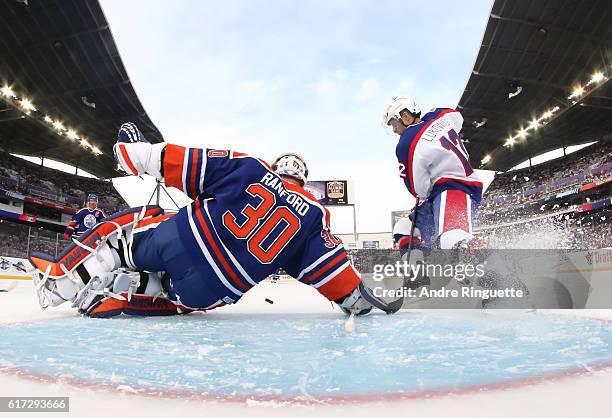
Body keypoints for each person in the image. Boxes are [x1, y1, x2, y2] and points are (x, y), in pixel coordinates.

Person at [29, 123, 375, 318]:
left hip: (177, 242)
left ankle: (66, 282)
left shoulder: (252, 168)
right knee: (175, 294)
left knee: (126, 239)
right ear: (303, 177)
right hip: (213, 290)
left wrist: (137, 153)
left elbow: (187, 162)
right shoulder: (316, 215)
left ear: (277, 166)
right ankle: (129, 293)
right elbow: (331, 271)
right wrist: (353, 299)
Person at [382, 96, 482, 251]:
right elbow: (457, 118)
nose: (394, 130)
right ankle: (419, 270)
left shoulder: (407, 142)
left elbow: (418, 189)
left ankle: (496, 270)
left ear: (406, 117)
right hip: (446, 190)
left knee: (451, 238)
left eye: (394, 124)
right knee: (404, 228)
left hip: (454, 187)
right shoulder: (439, 115)